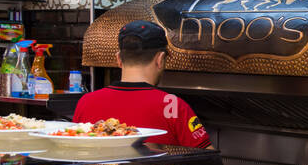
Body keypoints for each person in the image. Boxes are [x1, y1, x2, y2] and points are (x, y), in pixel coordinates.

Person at [74, 20, 211, 148]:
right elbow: (210, 161)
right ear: (160, 59)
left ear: (119, 59)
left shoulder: (85, 102)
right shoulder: (172, 106)